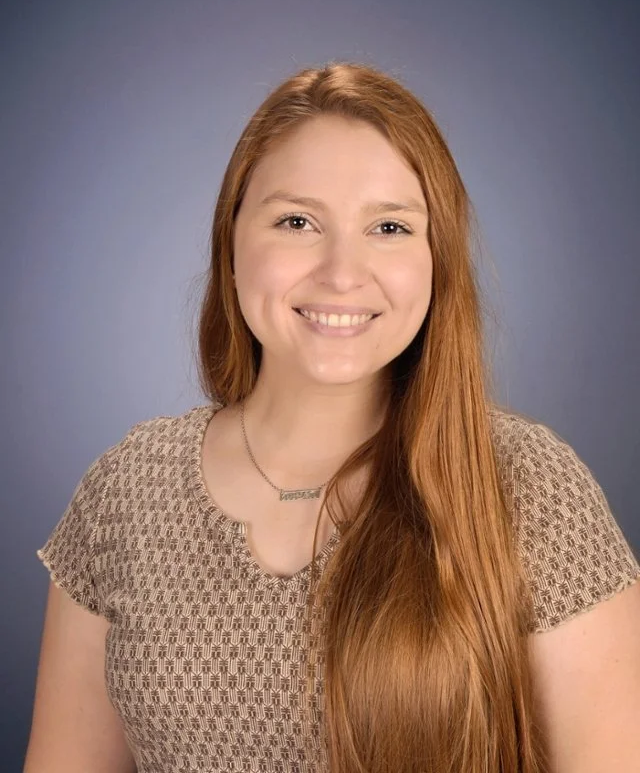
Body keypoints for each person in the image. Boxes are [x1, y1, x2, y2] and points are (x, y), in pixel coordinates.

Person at [25, 61, 640, 773]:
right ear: (231, 244)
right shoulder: (124, 492)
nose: (343, 272)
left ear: (438, 260)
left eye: (388, 226)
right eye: (297, 222)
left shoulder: (531, 489)